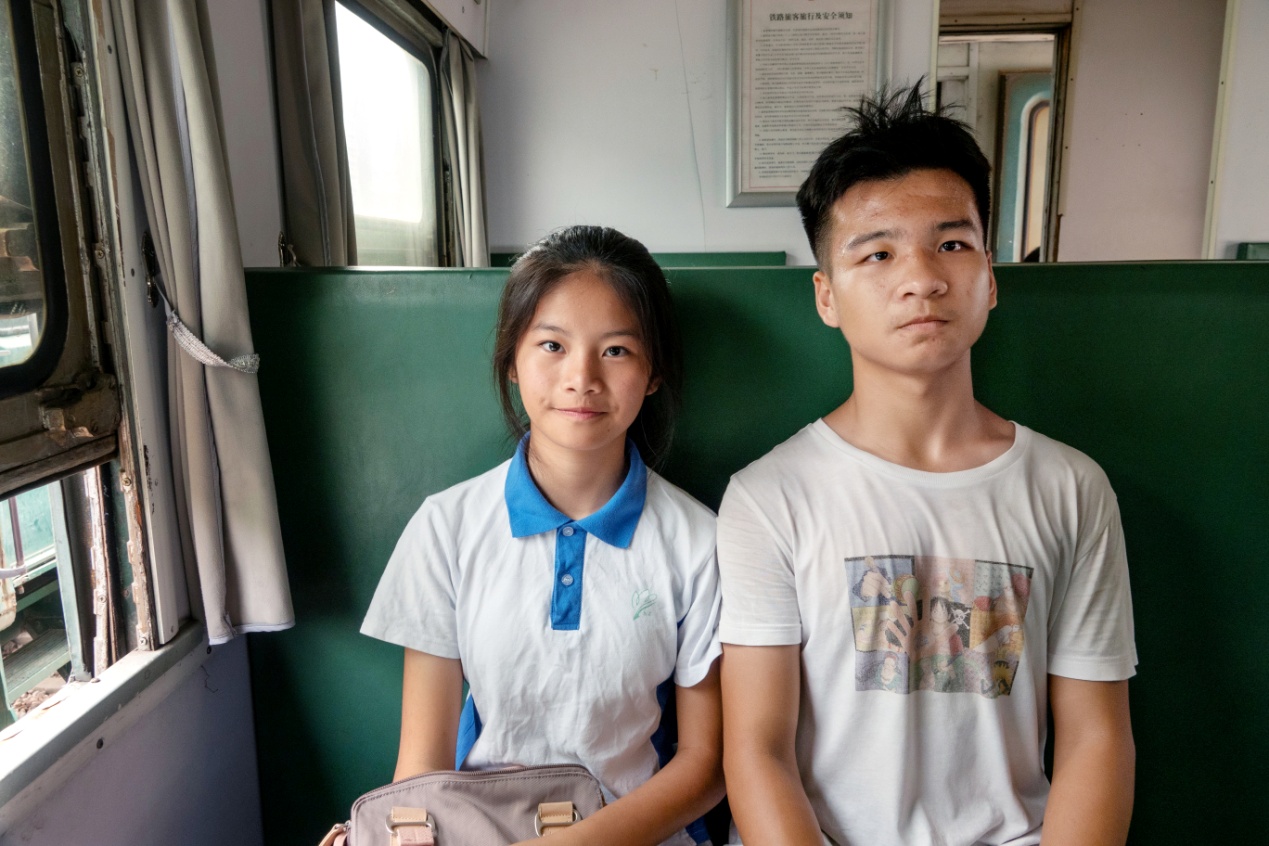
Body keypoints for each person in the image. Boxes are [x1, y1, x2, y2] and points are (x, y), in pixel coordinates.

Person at [717, 86, 1137, 846]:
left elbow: (1095, 738)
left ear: (990, 276)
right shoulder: (768, 497)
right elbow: (757, 751)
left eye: (951, 245)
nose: (922, 278)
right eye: (877, 253)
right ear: (826, 297)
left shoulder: (1070, 488)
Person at [361, 225, 724, 846]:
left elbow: (705, 764)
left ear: (653, 372)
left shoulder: (698, 541)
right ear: (511, 360)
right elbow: (421, 766)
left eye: (617, 350)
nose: (581, 378)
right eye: (552, 345)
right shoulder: (446, 527)